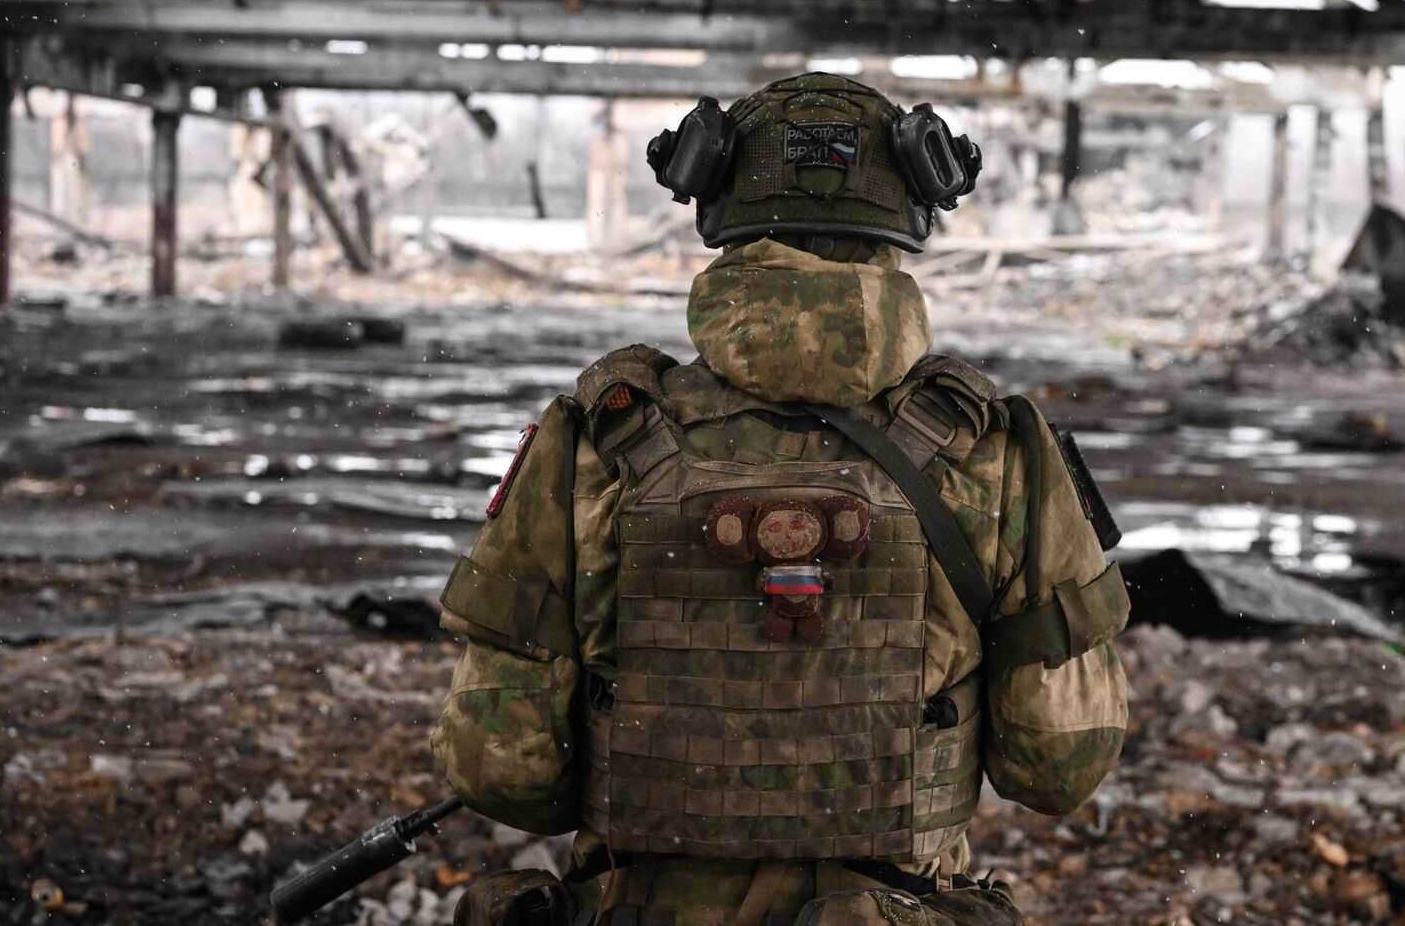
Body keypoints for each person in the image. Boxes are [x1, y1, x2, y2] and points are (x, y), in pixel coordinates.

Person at [432, 74, 1130, 926]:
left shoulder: (596, 443)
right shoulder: (996, 451)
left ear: (717, 210)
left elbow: (502, 767)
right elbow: (1058, 766)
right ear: (910, 217)